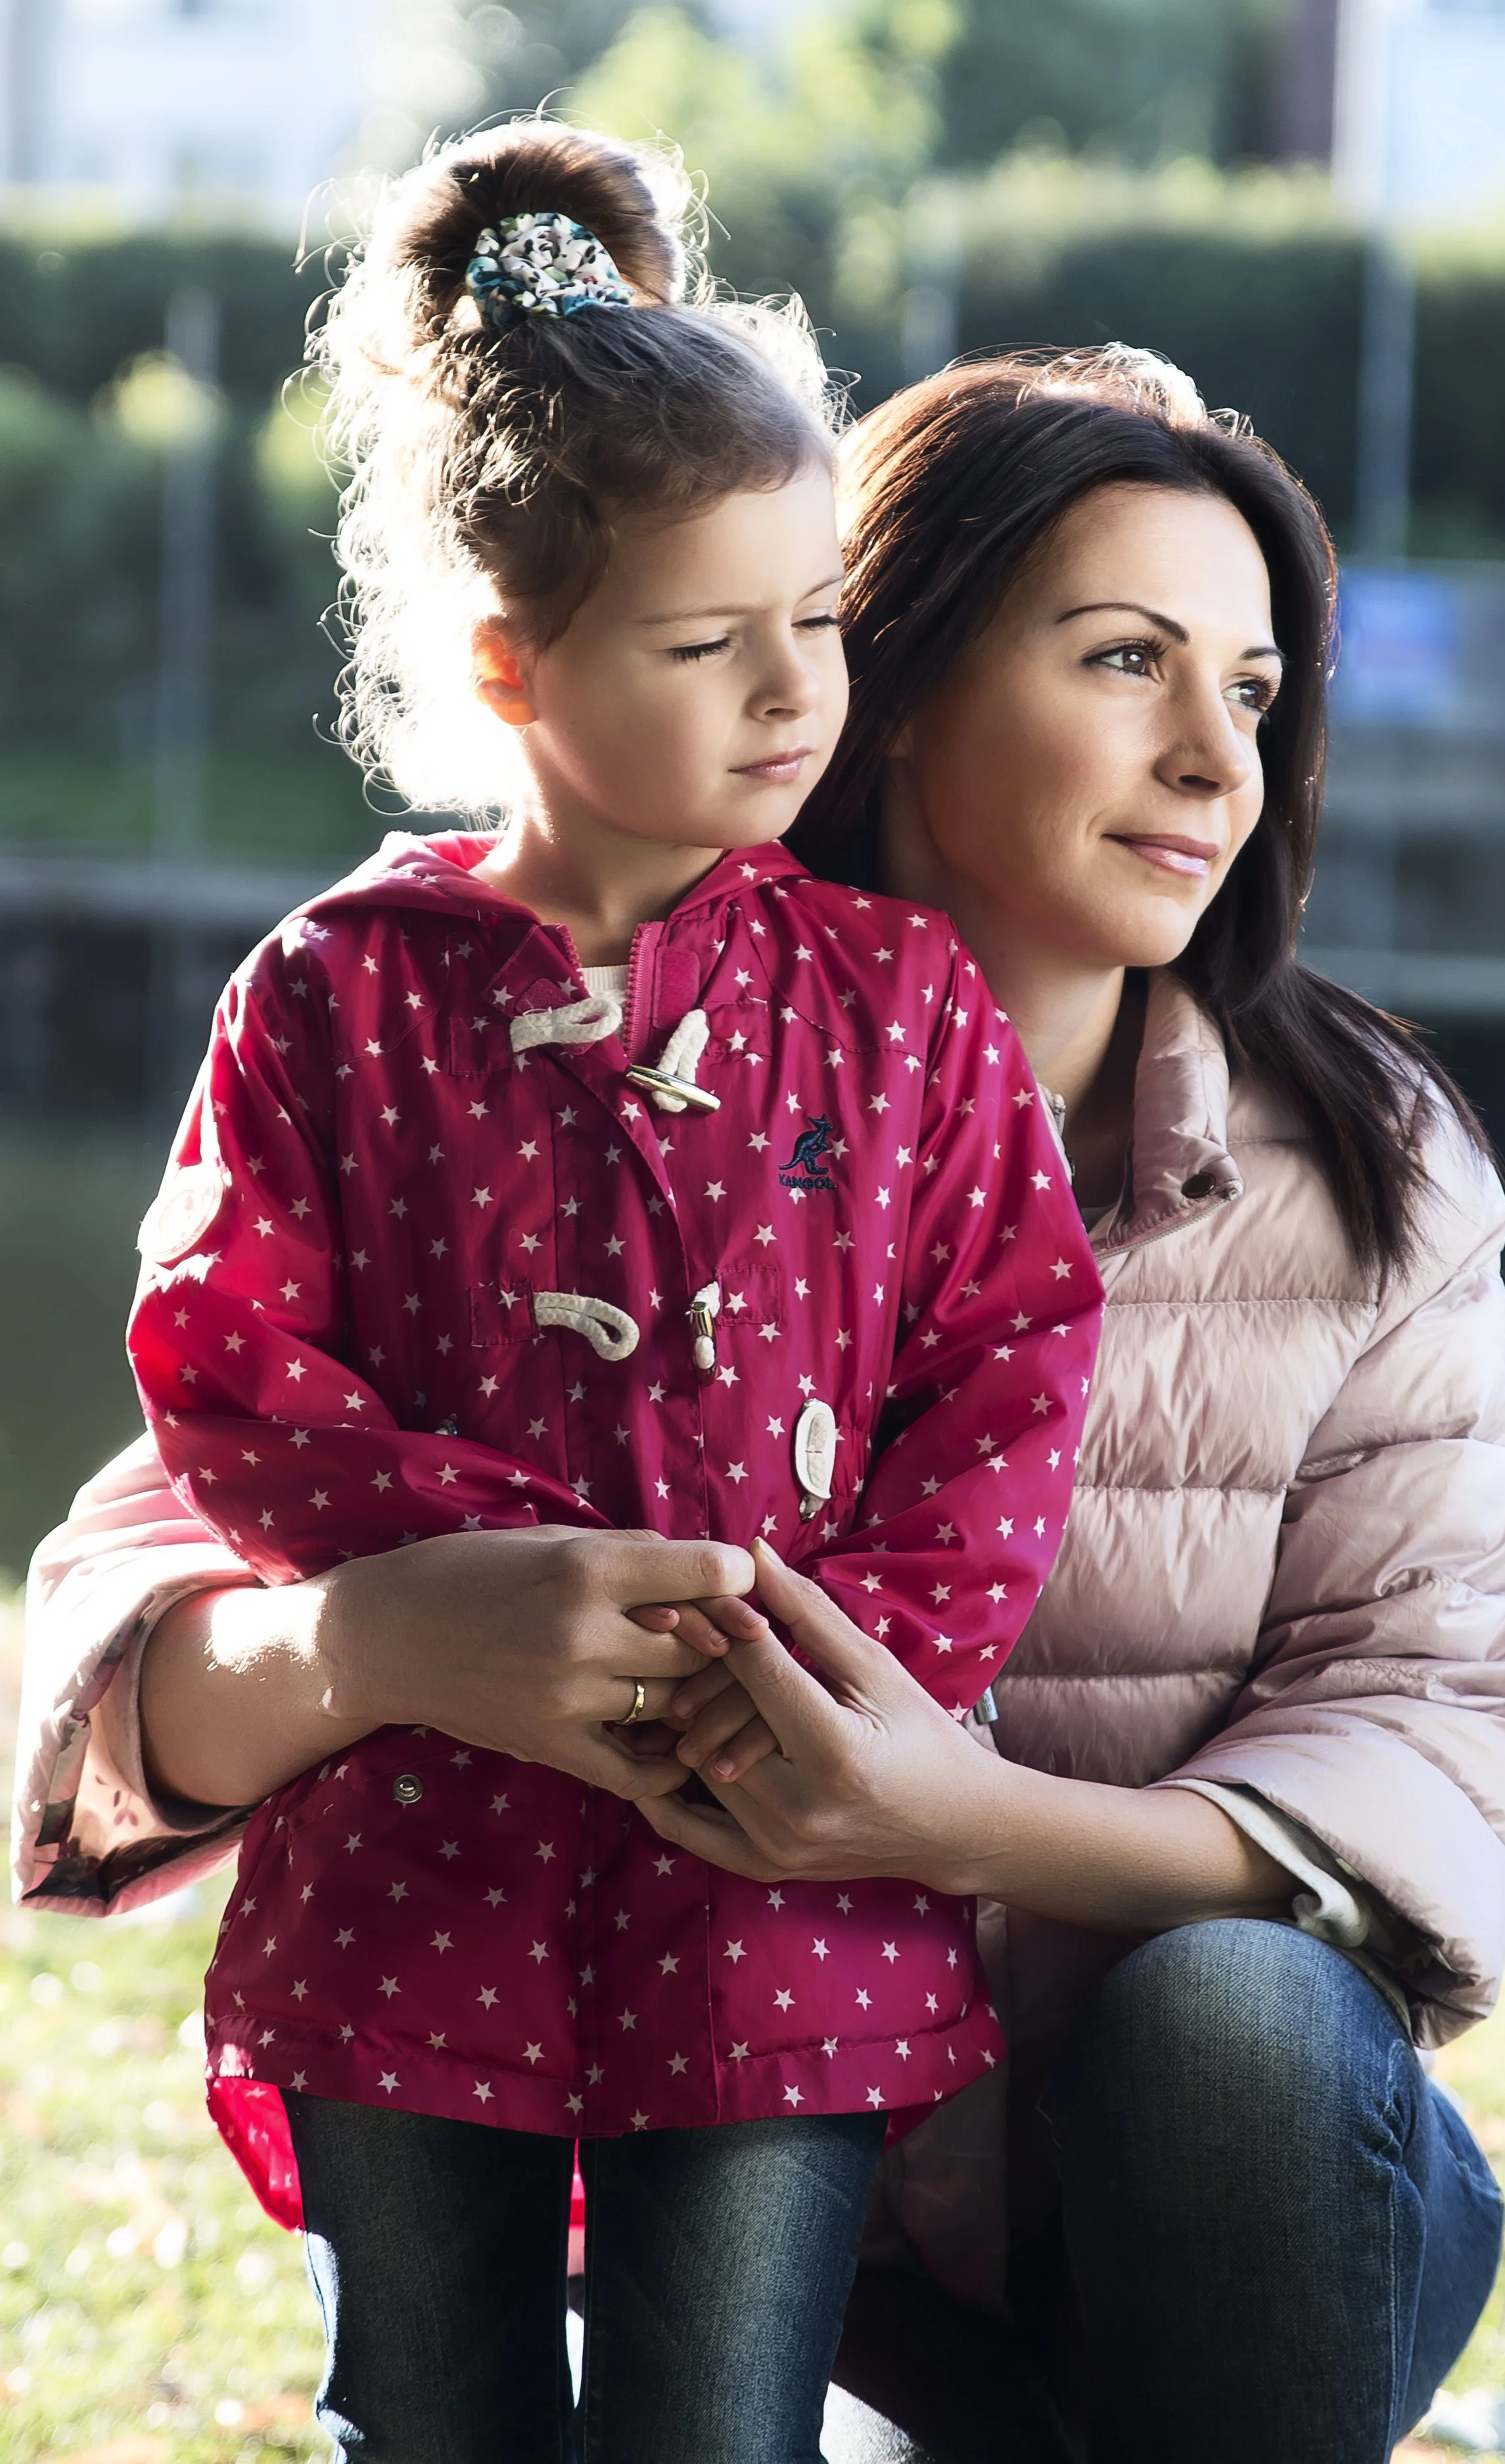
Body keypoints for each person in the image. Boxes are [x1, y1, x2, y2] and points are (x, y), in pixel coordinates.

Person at [16, 345, 1505, 2464]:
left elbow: (1428, 1736)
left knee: (1240, 2023)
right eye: (1127, 661)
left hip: (1190, 2201)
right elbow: (160, 1563)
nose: (1214, 756)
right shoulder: (499, 1039)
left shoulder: (1368, 1163)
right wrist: (371, 1639)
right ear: (892, 669)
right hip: (738, 2173)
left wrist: (926, 1809)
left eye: (1257, 689)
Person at [108, 118, 1103, 2464]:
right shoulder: (332, 995)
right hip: (409, 1875)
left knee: (716, 2428)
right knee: (427, 2417)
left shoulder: (898, 1000)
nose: (790, 692)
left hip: (779, 1884)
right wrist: (487, 1574)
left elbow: (1013, 1351)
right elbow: (224, 1360)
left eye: (817, 625)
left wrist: (826, 1665)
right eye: (703, 641)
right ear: (508, 662)